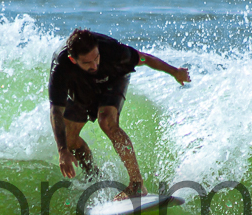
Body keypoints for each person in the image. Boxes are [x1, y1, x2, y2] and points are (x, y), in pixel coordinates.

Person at [48, 29, 190, 200]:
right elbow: (56, 110)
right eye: (87, 62)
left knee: (106, 121)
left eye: (96, 58)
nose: (94, 65)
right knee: (68, 138)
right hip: (81, 83)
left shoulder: (113, 51)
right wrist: (62, 150)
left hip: (113, 78)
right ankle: (93, 175)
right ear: (73, 59)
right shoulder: (61, 67)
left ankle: (137, 185)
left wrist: (175, 72)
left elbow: (144, 58)